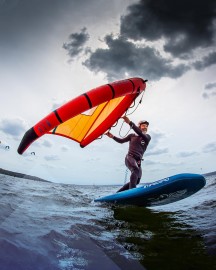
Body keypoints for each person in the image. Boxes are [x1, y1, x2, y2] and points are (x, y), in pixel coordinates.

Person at [106, 116, 151, 192]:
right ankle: (132, 192)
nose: (145, 127)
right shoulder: (131, 136)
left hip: (138, 161)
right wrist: (112, 136)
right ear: (139, 126)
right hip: (130, 158)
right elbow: (121, 141)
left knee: (137, 181)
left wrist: (130, 122)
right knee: (135, 170)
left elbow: (140, 133)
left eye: (146, 126)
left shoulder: (147, 137)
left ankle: (119, 193)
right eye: (143, 125)